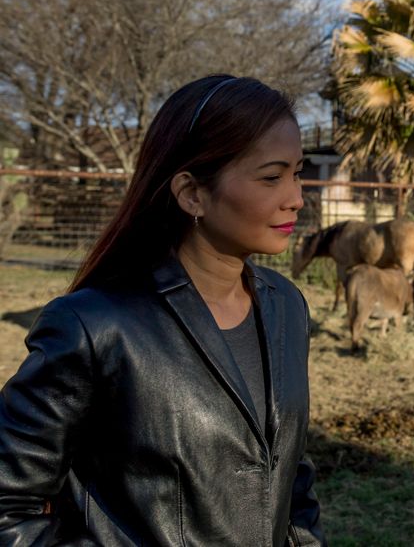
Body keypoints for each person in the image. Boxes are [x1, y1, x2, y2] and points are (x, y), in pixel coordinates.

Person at [0, 75, 326, 546]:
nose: (296, 197)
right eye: (271, 176)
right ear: (192, 193)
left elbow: (292, 476)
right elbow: (10, 505)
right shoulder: (96, 327)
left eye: (298, 172)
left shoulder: (287, 307)